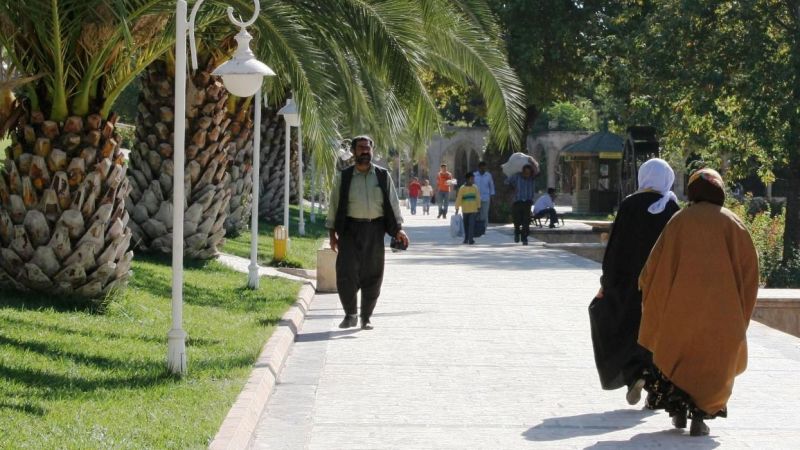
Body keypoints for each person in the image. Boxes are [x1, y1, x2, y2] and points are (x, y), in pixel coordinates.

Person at [638, 168, 758, 436]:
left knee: (679, 357)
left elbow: (654, 268)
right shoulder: (733, 224)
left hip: (679, 312)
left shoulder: (679, 221)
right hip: (721, 315)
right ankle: (699, 420)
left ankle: (679, 411)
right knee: (713, 363)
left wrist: (651, 297)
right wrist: (739, 311)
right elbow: (749, 275)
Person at [589, 158, 681, 407]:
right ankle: (654, 389)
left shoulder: (630, 205)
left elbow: (615, 248)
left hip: (628, 284)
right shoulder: (672, 208)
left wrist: (606, 283)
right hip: (660, 286)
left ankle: (633, 376)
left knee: (629, 329)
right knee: (657, 335)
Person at [326, 135, 410, 330]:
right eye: (361, 148)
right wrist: (332, 234)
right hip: (349, 230)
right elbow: (334, 205)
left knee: (373, 274)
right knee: (346, 272)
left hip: (375, 229)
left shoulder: (382, 175)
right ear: (354, 151)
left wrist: (399, 229)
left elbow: (393, 203)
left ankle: (366, 317)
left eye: (368, 148)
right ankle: (350, 314)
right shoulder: (343, 176)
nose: (365, 151)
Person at [505, 164, 536, 245]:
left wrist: (532, 199)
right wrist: (512, 187)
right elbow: (506, 181)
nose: (527, 175)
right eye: (526, 172)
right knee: (517, 220)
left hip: (527, 202)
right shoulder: (516, 176)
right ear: (522, 171)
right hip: (517, 201)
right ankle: (517, 233)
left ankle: (524, 237)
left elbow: (532, 190)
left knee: (526, 221)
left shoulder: (531, 179)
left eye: (528, 173)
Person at [455, 172, 481, 245]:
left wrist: (479, 207)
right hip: (465, 210)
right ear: (467, 179)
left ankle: (471, 239)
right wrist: (457, 208)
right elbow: (459, 198)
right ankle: (466, 238)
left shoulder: (475, 188)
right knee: (466, 225)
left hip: (473, 209)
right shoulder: (462, 188)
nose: (473, 180)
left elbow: (478, 198)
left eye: (473, 179)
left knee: (471, 224)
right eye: (471, 179)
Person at [473, 161, 495, 225]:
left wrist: (492, 196)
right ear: (479, 168)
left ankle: (484, 228)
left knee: (484, 214)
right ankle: (476, 228)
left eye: (484, 168)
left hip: (486, 198)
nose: (483, 169)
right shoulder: (474, 175)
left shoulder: (488, 175)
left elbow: (491, 186)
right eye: (482, 168)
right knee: (476, 213)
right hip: (476, 198)